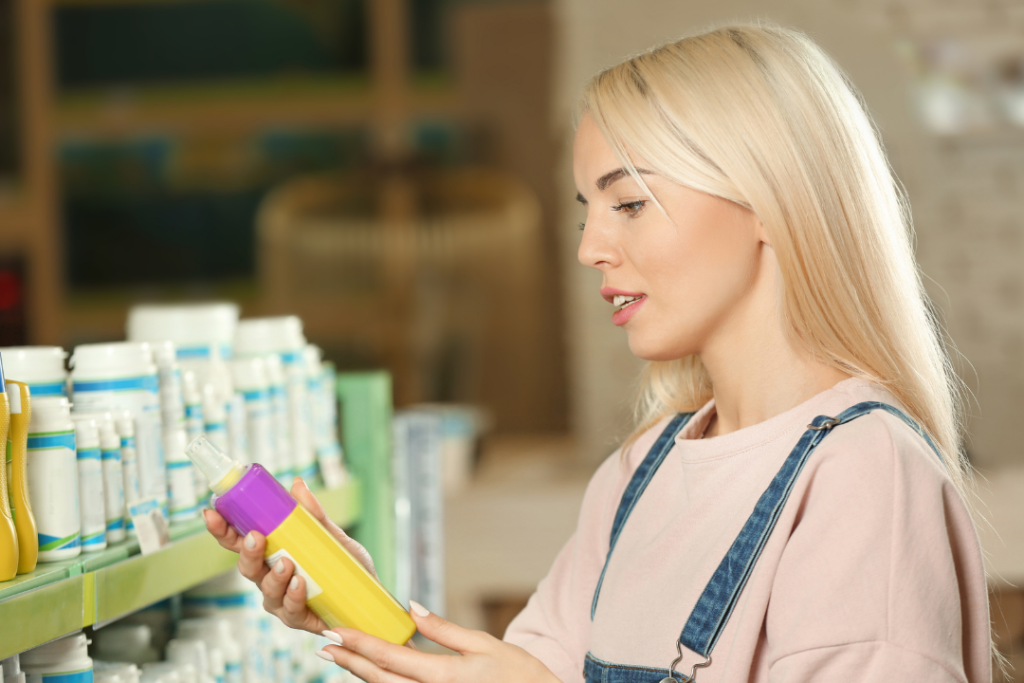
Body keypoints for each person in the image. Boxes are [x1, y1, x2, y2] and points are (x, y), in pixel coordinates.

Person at [203, 24, 992, 683]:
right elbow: (519, 672)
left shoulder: (862, 472)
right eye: (590, 209)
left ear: (768, 201)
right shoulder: (642, 471)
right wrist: (355, 605)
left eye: (630, 203)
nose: (589, 248)